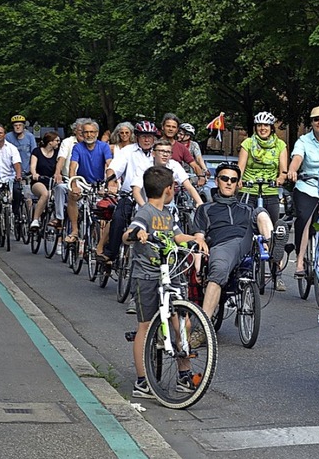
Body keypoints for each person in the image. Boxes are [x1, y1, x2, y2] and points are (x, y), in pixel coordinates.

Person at [122, 165, 198, 398]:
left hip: (168, 273)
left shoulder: (167, 213)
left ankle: (184, 374)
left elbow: (177, 236)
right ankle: (143, 381)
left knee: (181, 322)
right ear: (168, 189)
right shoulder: (146, 213)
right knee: (144, 326)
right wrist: (136, 234)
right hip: (146, 275)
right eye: (174, 186)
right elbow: (130, 233)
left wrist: (194, 238)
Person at [191, 162, 289, 324]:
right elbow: (199, 238)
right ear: (216, 181)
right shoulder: (206, 209)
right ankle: (204, 328)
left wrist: (263, 242)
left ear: (238, 184)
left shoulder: (246, 209)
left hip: (246, 242)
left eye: (233, 180)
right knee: (218, 272)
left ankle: (272, 245)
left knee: (260, 212)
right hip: (221, 245)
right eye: (224, 178)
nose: (229, 182)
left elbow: (256, 229)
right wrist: (198, 262)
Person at [238, 111, 288, 291]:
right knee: (245, 229)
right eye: (259, 125)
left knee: (274, 234)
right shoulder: (248, 143)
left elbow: (283, 169)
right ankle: (244, 268)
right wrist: (239, 179)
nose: (262, 128)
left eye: (266, 125)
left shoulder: (280, 145)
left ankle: (278, 274)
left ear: (271, 127)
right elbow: (240, 167)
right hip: (249, 191)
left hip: (270, 190)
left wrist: (281, 179)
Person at [100, 121, 159, 266]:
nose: (147, 140)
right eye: (143, 136)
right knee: (119, 218)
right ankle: (110, 254)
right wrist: (112, 181)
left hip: (153, 198)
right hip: (129, 195)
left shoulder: (158, 153)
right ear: (137, 137)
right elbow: (114, 169)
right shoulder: (128, 151)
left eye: (150, 137)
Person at [287, 106, 319, 279]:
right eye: (316, 119)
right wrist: (292, 170)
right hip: (307, 185)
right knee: (305, 217)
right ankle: (300, 261)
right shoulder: (303, 141)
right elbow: (297, 158)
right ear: (311, 123)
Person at [65, 119, 113, 243]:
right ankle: (75, 230)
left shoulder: (104, 146)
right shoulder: (78, 147)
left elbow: (109, 164)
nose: (89, 135)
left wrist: (110, 182)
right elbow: (73, 166)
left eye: (92, 132)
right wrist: (74, 184)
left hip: (99, 182)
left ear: (97, 133)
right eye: (86, 132)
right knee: (72, 196)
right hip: (82, 181)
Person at [130, 139, 204, 209]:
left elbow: (189, 186)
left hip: (168, 209)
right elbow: (136, 191)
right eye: (161, 151)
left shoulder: (174, 165)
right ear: (153, 153)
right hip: (146, 207)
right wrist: (145, 208)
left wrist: (200, 203)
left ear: (171, 155)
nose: (165, 154)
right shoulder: (143, 166)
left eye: (168, 152)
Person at [29, 131, 61, 229]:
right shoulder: (37, 151)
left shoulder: (57, 153)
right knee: (45, 194)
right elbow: (33, 165)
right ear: (50, 142)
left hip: (52, 182)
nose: (58, 143)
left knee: (58, 195)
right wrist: (34, 174)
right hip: (39, 181)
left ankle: (55, 218)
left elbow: (59, 167)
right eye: (57, 140)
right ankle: (35, 220)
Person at [177, 122, 208, 187]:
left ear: (188, 136)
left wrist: (205, 170)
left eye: (181, 134)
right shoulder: (175, 144)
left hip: (190, 174)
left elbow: (199, 158)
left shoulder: (194, 145)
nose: (178, 135)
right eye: (178, 133)